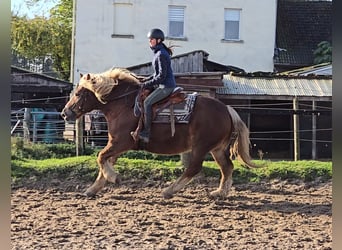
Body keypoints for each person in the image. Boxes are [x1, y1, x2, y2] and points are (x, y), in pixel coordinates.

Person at [137, 28, 177, 143]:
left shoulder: (160, 54)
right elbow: (156, 74)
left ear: (158, 40)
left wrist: (146, 84)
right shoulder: (159, 53)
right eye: (149, 40)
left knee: (147, 102)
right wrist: (145, 80)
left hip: (166, 87)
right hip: (162, 85)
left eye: (152, 39)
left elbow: (161, 77)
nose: (150, 41)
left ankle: (146, 132)